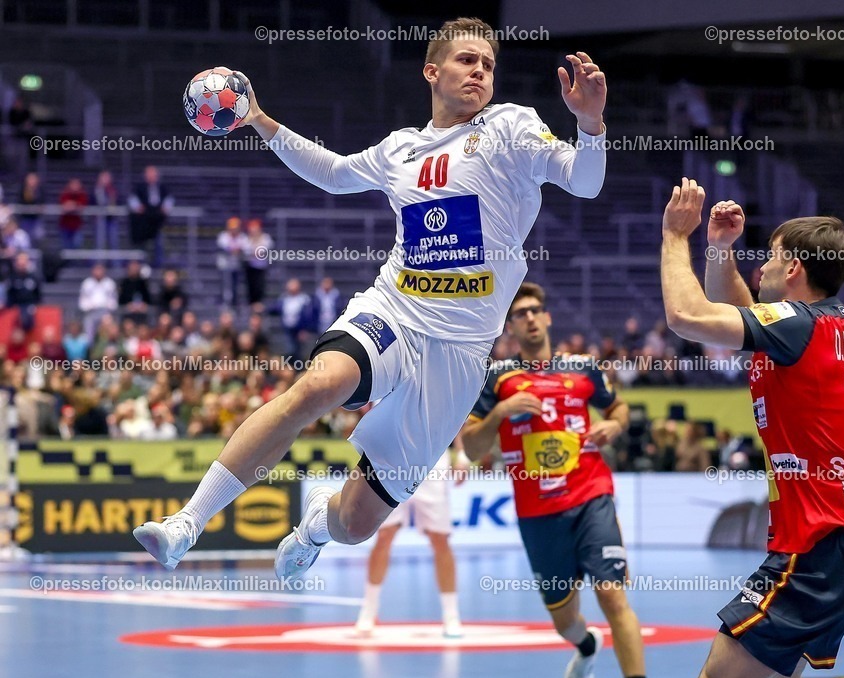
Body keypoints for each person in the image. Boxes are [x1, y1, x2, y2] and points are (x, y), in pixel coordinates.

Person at [132, 18, 607, 582]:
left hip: (458, 353)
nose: (480, 72)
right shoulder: (399, 149)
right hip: (395, 311)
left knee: (357, 522)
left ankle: (314, 527)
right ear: (433, 71)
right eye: (466, 61)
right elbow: (333, 174)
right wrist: (260, 120)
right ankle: (187, 522)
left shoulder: (512, 128)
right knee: (318, 384)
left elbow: (586, 182)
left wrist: (590, 122)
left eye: (488, 64)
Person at [658, 180, 844, 678]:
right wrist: (718, 251)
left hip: (817, 547)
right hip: (841, 544)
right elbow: (739, 313)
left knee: (716, 677)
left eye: (772, 258)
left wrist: (676, 236)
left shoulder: (798, 325)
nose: (762, 268)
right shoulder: (823, 323)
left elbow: (689, 317)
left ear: (795, 269)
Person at [461, 282, 645, 678]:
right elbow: (472, 448)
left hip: (591, 494)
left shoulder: (583, 368)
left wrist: (614, 423)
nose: (528, 318)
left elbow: (620, 407)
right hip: (539, 514)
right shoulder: (497, 379)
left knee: (613, 596)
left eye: (534, 311)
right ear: (509, 327)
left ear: (547, 317)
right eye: (519, 314)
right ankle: (586, 646)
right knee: (564, 620)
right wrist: (501, 413)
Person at [355, 443, 468, 639]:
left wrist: (462, 454)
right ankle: (369, 609)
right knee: (384, 535)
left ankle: (451, 615)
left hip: (432, 461)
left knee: (439, 538)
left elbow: (457, 414)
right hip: (393, 461)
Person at [128, 166, 174, 267]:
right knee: (142, 245)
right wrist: (138, 207)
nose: (151, 176)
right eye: (149, 174)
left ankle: (158, 266)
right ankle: (141, 266)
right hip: (143, 222)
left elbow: (169, 199)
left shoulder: (162, 188)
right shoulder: (139, 187)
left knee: (159, 244)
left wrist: (165, 207)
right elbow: (132, 200)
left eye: (153, 174)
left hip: (157, 221)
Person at [243, 218, 272, 311]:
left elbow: (263, 250)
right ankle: (251, 304)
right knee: (251, 286)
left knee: (260, 285)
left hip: (261, 266)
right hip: (250, 266)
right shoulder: (247, 239)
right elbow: (247, 249)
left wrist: (255, 248)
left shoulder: (265, 238)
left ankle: (259, 304)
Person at [92, 170, 119, 252]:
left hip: (111, 219)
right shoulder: (96, 190)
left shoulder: (113, 190)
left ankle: (116, 264)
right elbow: (94, 202)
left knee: (114, 243)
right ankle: (99, 264)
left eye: (107, 177)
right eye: (104, 177)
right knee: (99, 244)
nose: (105, 179)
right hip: (100, 219)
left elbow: (118, 202)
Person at [58, 178, 89, 250]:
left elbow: (81, 207)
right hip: (65, 225)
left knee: (77, 246)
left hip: (76, 226)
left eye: (77, 185)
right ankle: (66, 261)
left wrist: (73, 205)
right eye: (73, 184)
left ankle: (75, 261)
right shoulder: (65, 194)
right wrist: (74, 206)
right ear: (70, 185)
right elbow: (64, 206)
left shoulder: (82, 195)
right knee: (65, 247)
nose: (75, 186)